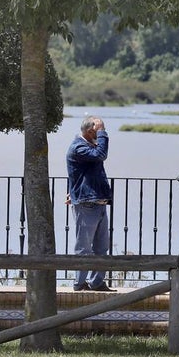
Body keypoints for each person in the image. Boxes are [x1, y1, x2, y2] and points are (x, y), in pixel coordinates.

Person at [66, 115, 112, 291]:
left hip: (97, 202)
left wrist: (72, 190)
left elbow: (79, 174)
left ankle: (97, 282)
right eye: (97, 131)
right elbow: (101, 155)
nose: (99, 134)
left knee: (102, 247)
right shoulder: (78, 147)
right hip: (87, 203)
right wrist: (103, 134)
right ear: (90, 130)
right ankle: (79, 283)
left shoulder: (88, 147)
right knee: (83, 247)